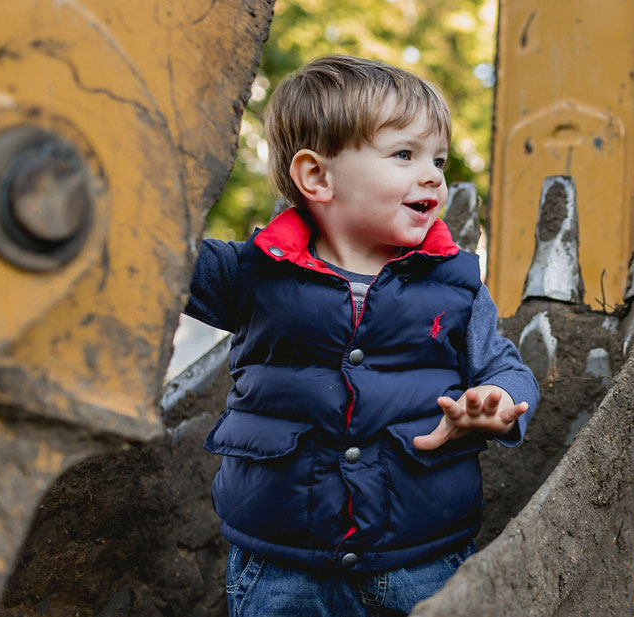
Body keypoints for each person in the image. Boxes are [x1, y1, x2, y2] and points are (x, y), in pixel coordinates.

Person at [184, 54, 539, 617]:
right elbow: (155, 251)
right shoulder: (253, 273)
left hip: (420, 562)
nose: (433, 176)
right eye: (404, 154)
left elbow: (505, 366)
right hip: (282, 569)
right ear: (317, 177)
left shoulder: (454, 284)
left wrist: (497, 401)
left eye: (438, 160)